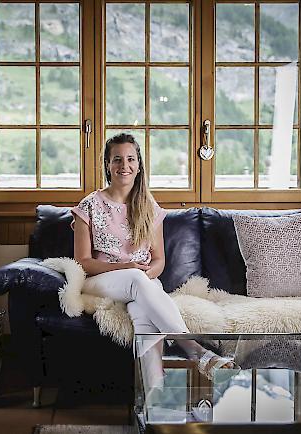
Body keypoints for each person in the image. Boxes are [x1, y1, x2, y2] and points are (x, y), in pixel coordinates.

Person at [71, 133, 234, 391]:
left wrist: (145, 277)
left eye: (130, 159)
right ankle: (194, 349)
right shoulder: (89, 205)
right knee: (137, 281)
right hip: (100, 281)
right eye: (117, 159)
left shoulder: (148, 206)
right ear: (107, 165)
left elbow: (158, 261)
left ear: (138, 165)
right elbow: (83, 262)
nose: (124, 165)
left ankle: (153, 400)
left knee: (144, 318)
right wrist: (127, 270)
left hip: (142, 281)